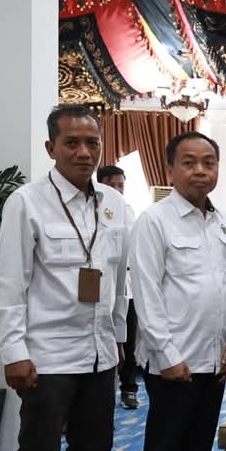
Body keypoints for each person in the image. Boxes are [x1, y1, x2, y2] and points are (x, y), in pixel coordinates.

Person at [0, 105, 132, 451]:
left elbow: (118, 282)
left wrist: (119, 339)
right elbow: (9, 285)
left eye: (92, 142)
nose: (84, 152)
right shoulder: (26, 202)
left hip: (99, 356)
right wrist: (15, 353)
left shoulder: (115, 205)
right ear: (51, 148)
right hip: (46, 358)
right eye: (72, 142)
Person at [129, 132, 226, 451]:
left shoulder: (224, 222)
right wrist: (166, 354)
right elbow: (146, 293)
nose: (200, 171)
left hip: (214, 360)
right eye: (190, 162)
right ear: (171, 169)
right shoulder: (154, 221)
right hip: (173, 362)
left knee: (197, 448)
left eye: (209, 162)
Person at [98, 165, 138, 409]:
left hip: (129, 284)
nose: (117, 189)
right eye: (111, 184)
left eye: (120, 185)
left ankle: (129, 388)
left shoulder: (128, 210)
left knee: (128, 341)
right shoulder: (93, 208)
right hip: (102, 285)